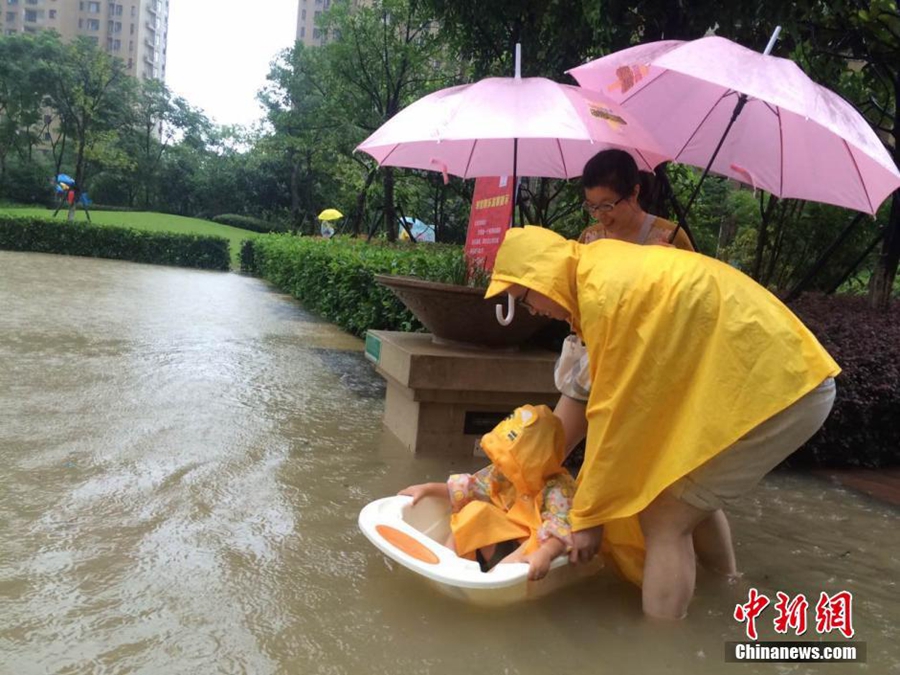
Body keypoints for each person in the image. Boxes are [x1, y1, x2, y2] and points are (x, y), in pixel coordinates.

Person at [485, 226, 839, 619]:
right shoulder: (601, 272)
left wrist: (588, 518)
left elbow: (614, 416)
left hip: (782, 389)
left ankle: (662, 649)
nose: (535, 312)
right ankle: (728, 585)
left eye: (527, 299)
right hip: (781, 379)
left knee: (663, 516)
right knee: (684, 491)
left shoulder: (604, 296)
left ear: (541, 277)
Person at [554, 150, 739, 584]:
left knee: (682, 485)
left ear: (635, 193)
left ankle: (727, 575)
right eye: (592, 205)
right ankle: (540, 536)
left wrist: (666, 267)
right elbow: (579, 309)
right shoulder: (589, 239)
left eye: (609, 205)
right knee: (552, 447)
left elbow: (699, 310)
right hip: (594, 369)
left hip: (653, 379)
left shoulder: (670, 238)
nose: (602, 216)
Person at [399, 404, 575, 581]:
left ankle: (494, 580)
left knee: (538, 543)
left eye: (512, 462)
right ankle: (447, 565)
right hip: (503, 538)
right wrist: (427, 489)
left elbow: (561, 529)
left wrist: (545, 553)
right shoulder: (503, 472)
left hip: (529, 550)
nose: (502, 466)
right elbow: (471, 487)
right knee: (475, 510)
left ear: (538, 461)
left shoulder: (558, 489)